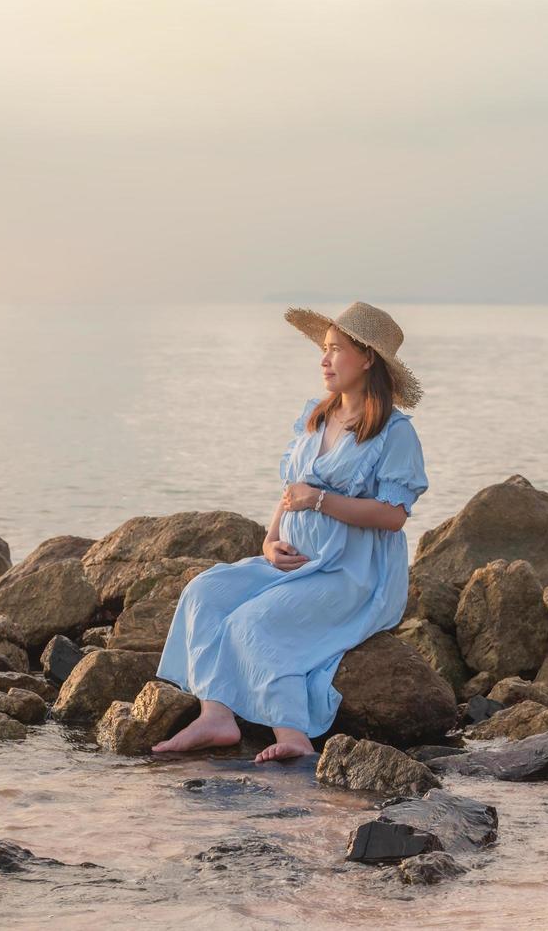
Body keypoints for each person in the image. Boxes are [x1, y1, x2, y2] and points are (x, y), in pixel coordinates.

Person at [152, 301, 428, 763]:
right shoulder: (314, 417)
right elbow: (290, 490)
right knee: (204, 592)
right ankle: (215, 715)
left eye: (335, 349)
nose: (323, 359)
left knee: (253, 622)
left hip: (352, 575)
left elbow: (393, 515)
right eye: (324, 348)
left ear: (367, 360)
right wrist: (270, 539)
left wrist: (319, 501)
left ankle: (293, 733)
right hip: (293, 562)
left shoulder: (393, 433)